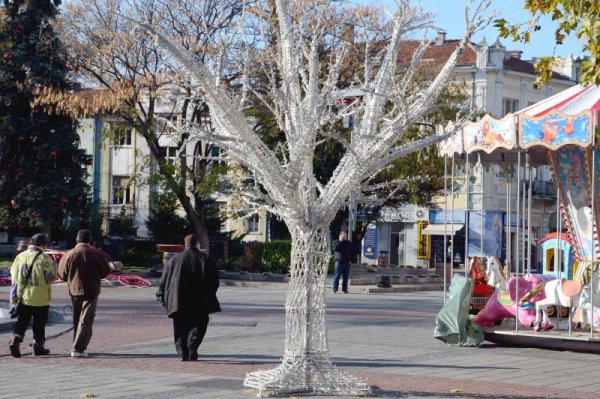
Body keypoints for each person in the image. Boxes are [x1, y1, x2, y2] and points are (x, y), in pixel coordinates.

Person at [156, 234, 221, 361]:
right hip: (199, 299)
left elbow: (163, 279)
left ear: (185, 244)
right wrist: (210, 294)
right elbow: (214, 281)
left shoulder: (173, 260)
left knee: (180, 326)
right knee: (200, 324)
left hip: (178, 299)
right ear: (197, 244)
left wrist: (160, 293)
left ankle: (183, 352)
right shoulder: (206, 259)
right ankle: (192, 347)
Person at [58, 229, 112, 358]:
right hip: (91, 290)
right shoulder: (97, 253)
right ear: (90, 241)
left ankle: (77, 344)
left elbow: (61, 274)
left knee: (77, 319)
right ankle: (78, 348)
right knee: (86, 320)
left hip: (74, 290)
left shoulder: (69, 254)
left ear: (76, 240)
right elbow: (106, 271)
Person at [8, 233, 57, 358]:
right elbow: (50, 277)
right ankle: (38, 346)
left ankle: (15, 341)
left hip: (23, 296)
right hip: (40, 297)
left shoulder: (20, 256)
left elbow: (13, 274)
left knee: (22, 321)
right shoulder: (45, 258)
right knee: (39, 323)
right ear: (42, 244)